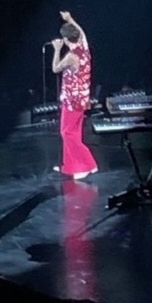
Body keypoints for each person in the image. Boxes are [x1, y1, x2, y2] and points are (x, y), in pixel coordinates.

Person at [50, 11, 97, 180]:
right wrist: (70, 19)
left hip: (72, 100)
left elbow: (55, 68)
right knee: (74, 132)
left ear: (67, 40)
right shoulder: (84, 47)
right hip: (82, 98)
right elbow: (82, 31)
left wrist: (56, 50)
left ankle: (88, 164)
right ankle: (71, 166)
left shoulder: (72, 55)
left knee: (66, 133)